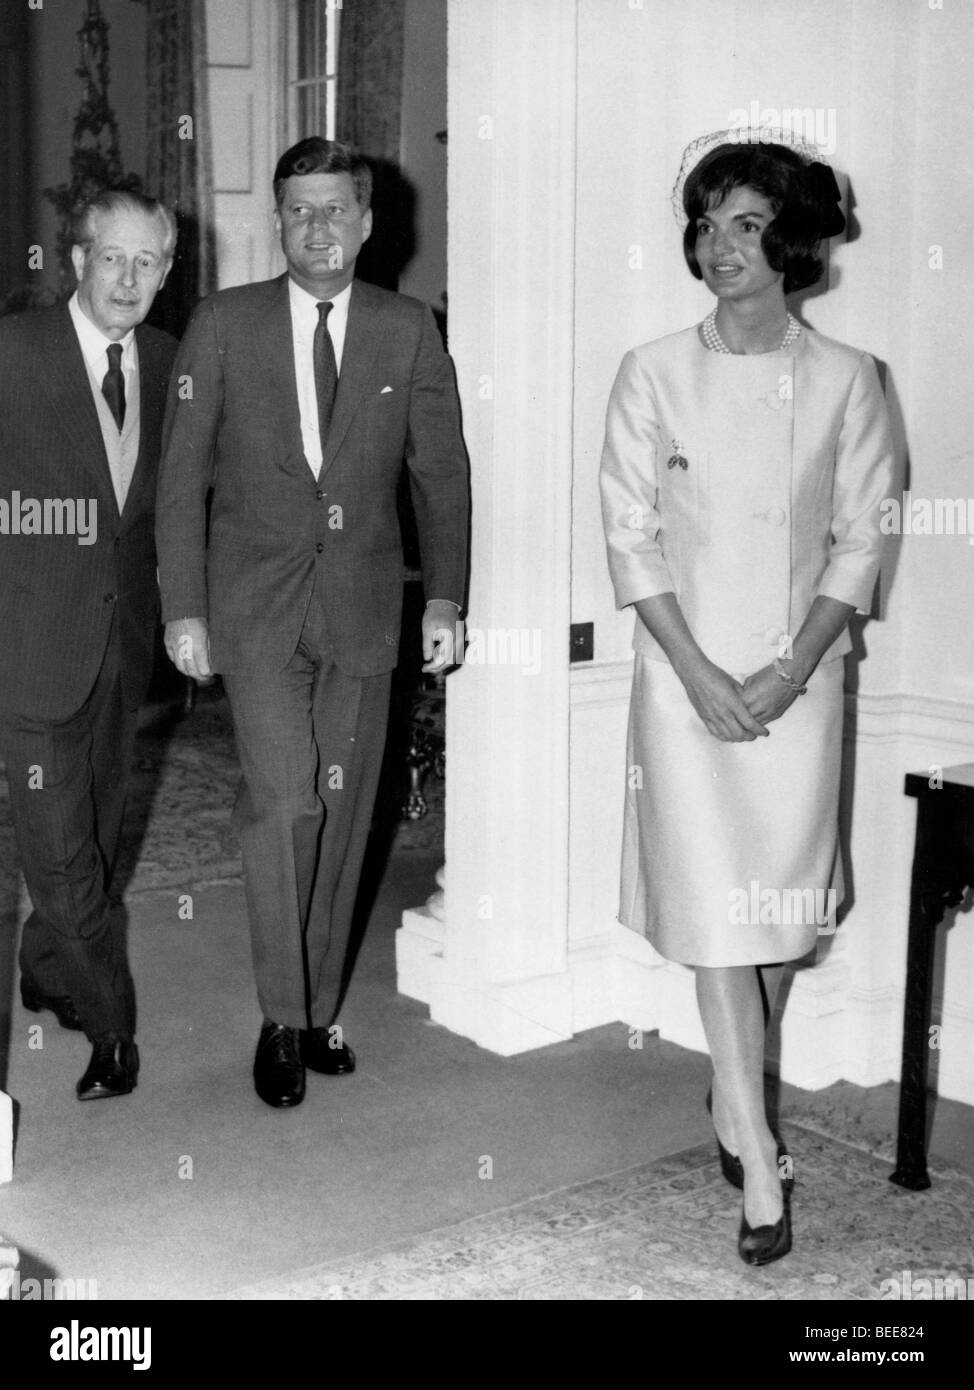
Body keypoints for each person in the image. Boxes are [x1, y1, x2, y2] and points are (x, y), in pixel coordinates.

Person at [599, 131, 894, 1264]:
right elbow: (629, 539)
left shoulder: (848, 380)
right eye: (707, 224)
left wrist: (783, 670)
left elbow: (858, 543)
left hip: (799, 683)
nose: (717, 247)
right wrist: (703, 673)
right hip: (684, 685)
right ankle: (757, 1151)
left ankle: (730, 1092)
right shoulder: (651, 372)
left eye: (745, 226)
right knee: (720, 913)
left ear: (794, 243)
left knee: (779, 922)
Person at [156, 138, 469, 1109]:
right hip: (253, 611)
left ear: (367, 222)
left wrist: (450, 597)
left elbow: (439, 475)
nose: (317, 227)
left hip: (365, 611)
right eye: (298, 210)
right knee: (285, 802)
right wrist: (184, 609)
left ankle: (320, 1003)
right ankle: (281, 1015)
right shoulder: (222, 324)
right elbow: (179, 481)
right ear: (279, 221)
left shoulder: (409, 329)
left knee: (347, 811)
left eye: (334, 209)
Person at [0, 190, 178, 1099]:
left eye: (148, 262)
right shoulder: (14, 351)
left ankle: (46, 970)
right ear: (75, 261)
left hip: (122, 648)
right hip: (28, 647)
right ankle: (113, 1030)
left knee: (99, 835)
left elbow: (166, 515)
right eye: (113, 257)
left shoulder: (168, 361)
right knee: (63, 850)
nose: (129, 278)